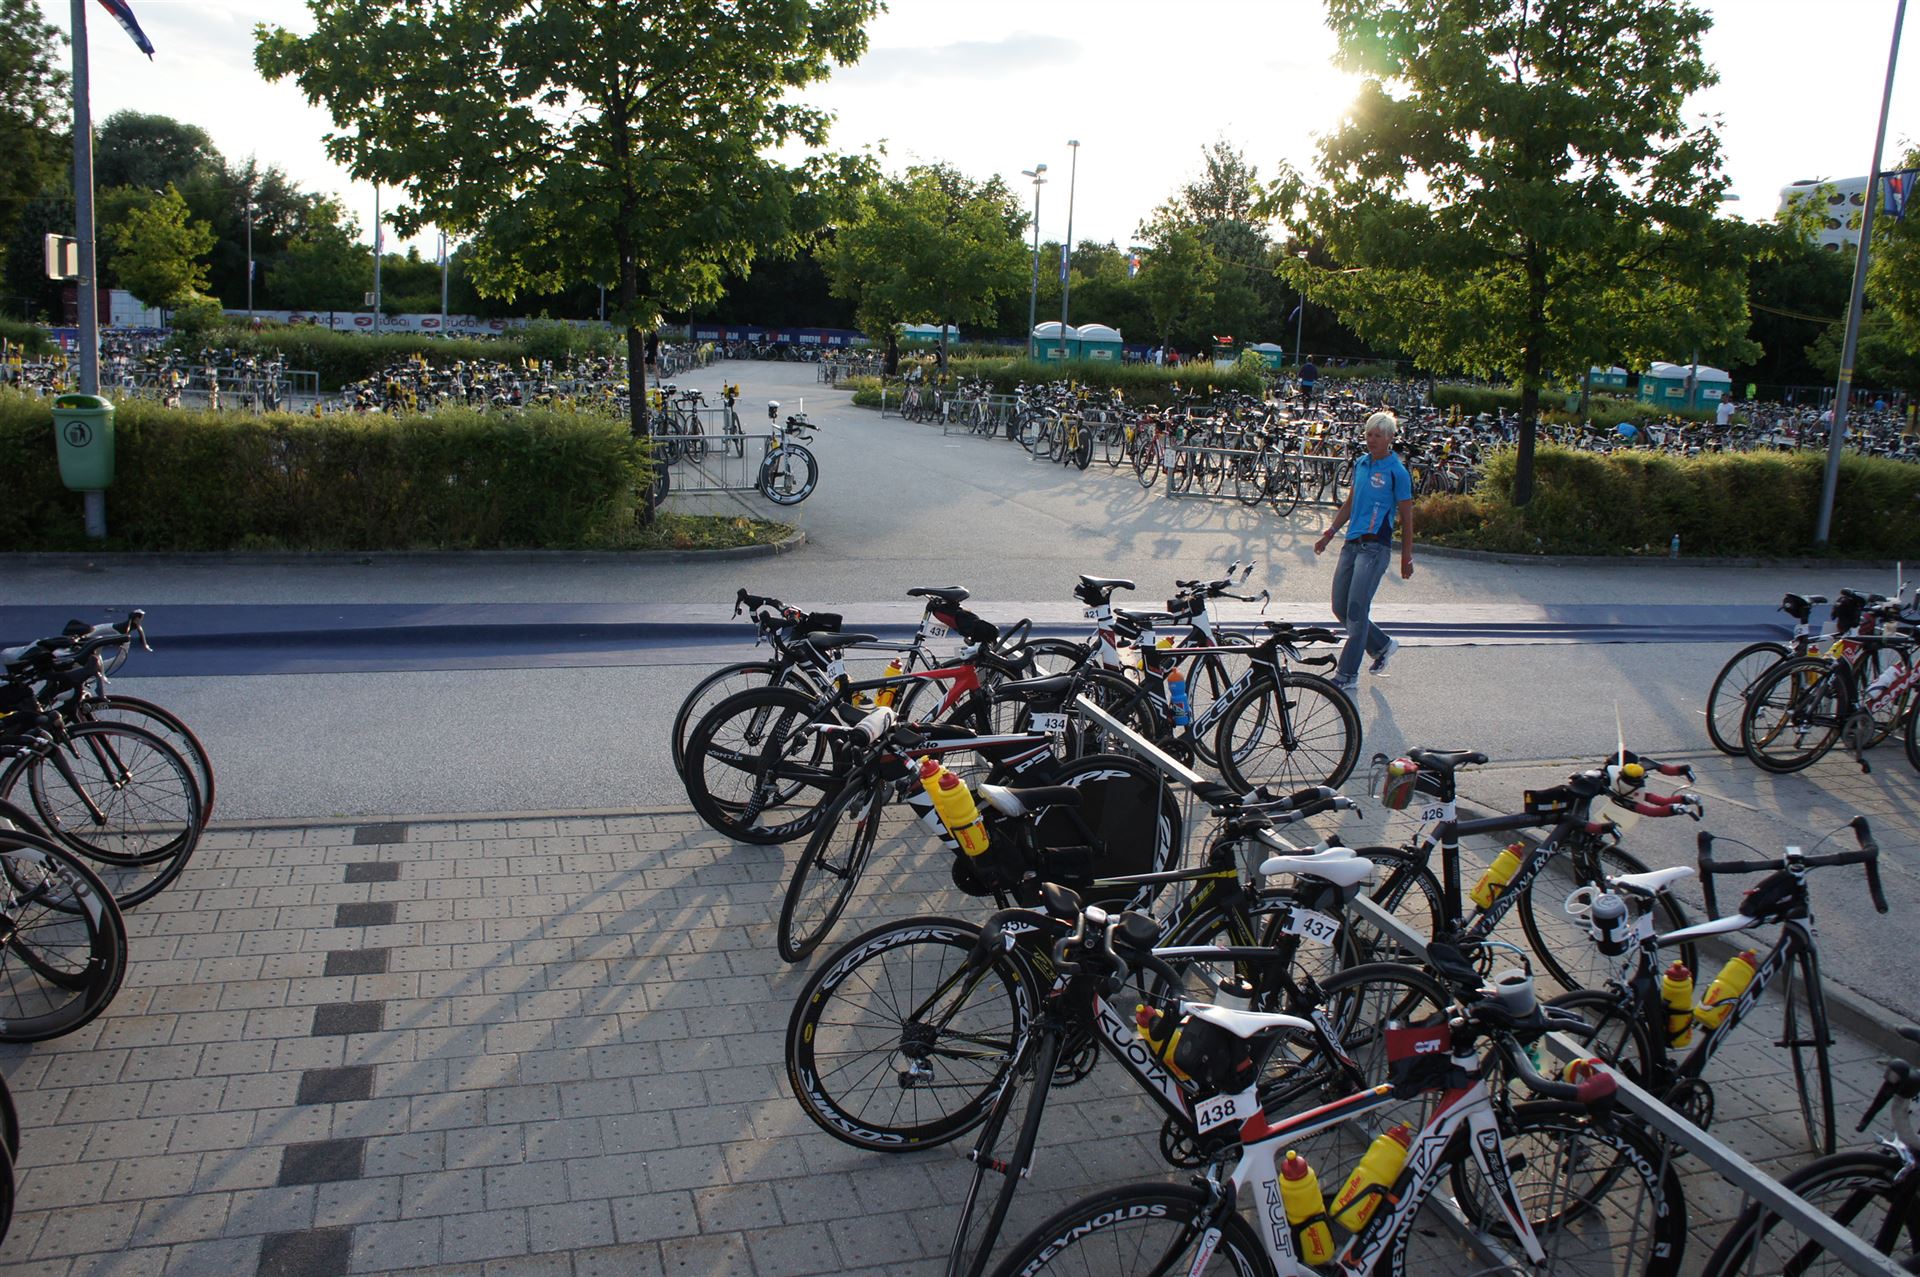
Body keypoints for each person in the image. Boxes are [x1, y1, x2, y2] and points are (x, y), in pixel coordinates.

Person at [1314, 411, 1413, 693]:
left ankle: (1347, 675)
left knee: (1357, 611)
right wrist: (1329, 533)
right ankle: (1382, 645)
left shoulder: (1397, 472)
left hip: (1375, 548)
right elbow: (1350, 503)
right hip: (1352, 543)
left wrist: (1406, 557)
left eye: (1378, 435)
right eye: (1369, 434)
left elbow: (1407, 518)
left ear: (1390, 438)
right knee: (1340, 607)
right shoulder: (1361, 463)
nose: (1372, 439)